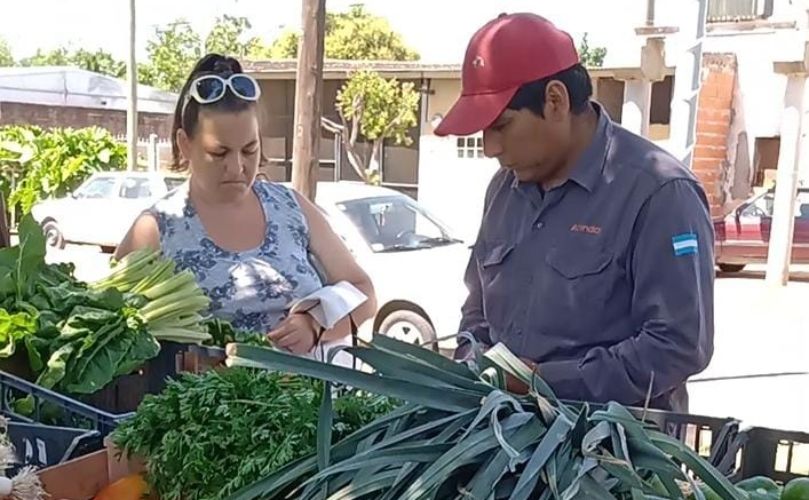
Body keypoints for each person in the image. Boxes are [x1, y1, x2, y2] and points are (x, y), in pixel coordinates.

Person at [435, 13, 714, 412]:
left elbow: (679, 344)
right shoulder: (504, 189)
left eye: (501, 125)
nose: (489, 147)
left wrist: (544, 384)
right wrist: (471, 361)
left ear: (555, 101)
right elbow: (477, 308)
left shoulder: (659, 193)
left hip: (611, 456)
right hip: (499, 444)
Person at [115, 54, 377, 362]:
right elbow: (117, 326)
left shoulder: (291, 207)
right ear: (185, 145)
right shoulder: (156, 227)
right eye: (219, 152)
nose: (237, 167)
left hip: (312, 403)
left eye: (249, 150)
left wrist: (315, 325)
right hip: (208, 407)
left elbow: (364, 294)